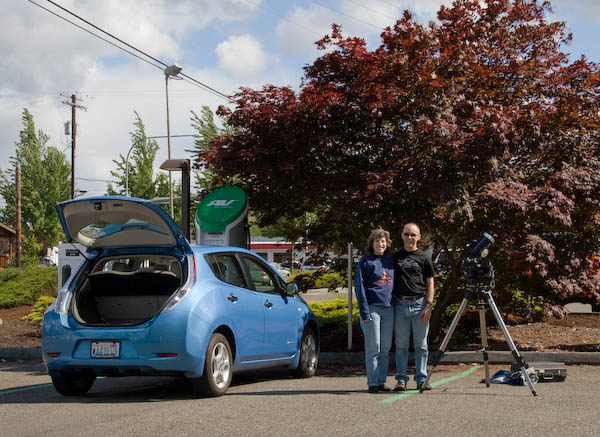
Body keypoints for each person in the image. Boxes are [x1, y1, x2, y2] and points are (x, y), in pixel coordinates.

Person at [392, 223, 435, 391]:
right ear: (402, 236)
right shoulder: (395, 257)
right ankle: (401, 380)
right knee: (401, 345)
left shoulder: (424, 257)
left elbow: (430, 281)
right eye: (407, 234)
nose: (410, 238)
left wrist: (429, 304)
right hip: (400, 305)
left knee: (421, 345)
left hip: (420, 304)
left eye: (413, 235)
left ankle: (421, 378)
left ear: (419, 237)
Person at [354, 228, 395, 393]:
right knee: (374, 347)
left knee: (385, 348)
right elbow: (359, 287)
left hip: (389, 309)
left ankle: (381, 382)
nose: (381, 244)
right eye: (377, 241)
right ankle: (372, 383)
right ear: (372, 243)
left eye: (383, 241)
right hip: (372, 309)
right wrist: (364, 311)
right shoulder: (365, 262)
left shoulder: (390, 262)